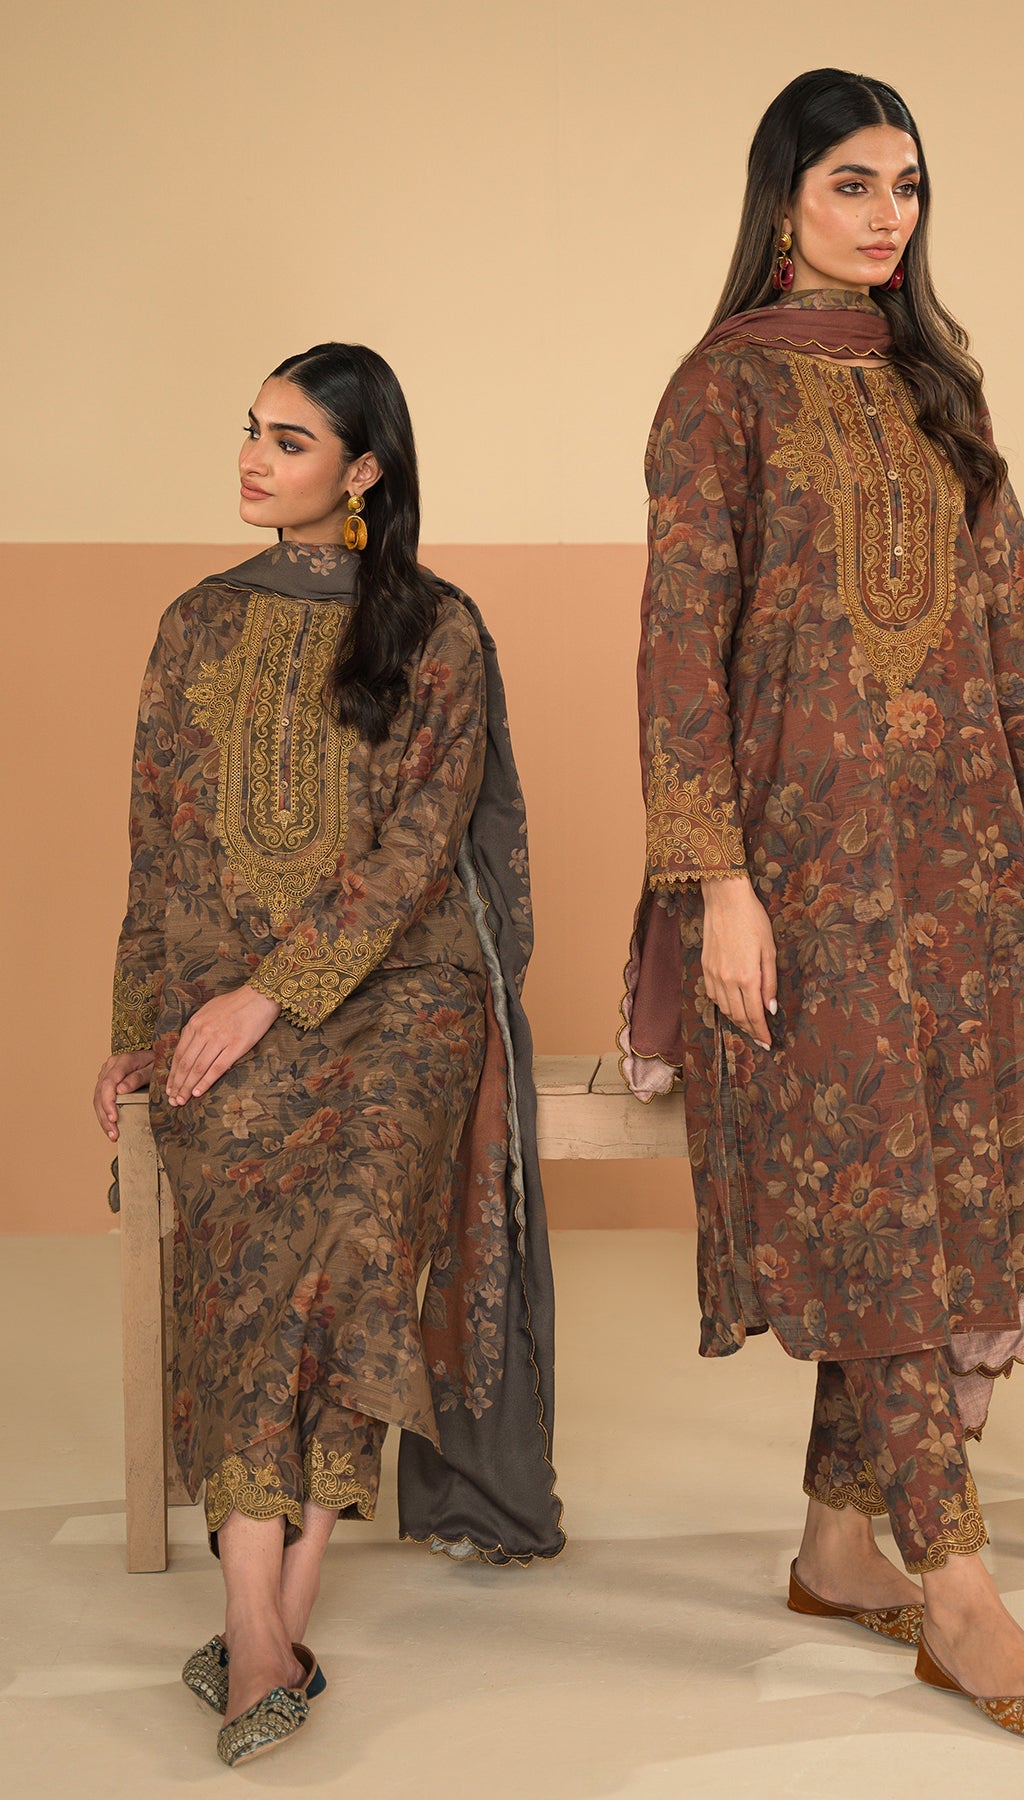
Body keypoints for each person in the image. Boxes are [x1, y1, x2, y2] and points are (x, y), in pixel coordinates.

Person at [620, 69, 1024, 1746]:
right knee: (873, 1195)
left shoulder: (934, 387)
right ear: (785, 200)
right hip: (808, 871)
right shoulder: (721, 395)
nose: (888, 214)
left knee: (960, 1163)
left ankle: (841, 1548)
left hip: (962, 864)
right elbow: (677, 656)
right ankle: (958, 1591)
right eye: (853, 182)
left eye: (907, 185)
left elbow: (1020, 634)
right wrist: (719, 887)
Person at [93, 343, 564, 1768]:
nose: (253, 458)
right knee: (249, 1233)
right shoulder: (193, 625)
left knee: (356, 1225)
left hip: (406, 996)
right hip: (219, 992)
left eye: (287, 441)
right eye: (251, 431)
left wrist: (272, 996)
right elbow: (160, 851)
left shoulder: (437, 630)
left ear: (363, 471)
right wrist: (139, 1028)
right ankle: (263, 1630)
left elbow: (421, 854)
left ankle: (263, 1627)